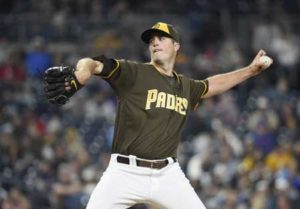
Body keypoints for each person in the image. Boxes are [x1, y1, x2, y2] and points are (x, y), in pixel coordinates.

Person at [44, 22, 273, 209]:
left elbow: (211, 85)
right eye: (151, 40)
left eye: (161, 38)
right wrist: (80, 73)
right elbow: (93, 63)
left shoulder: (186, 86)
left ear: (176, 46)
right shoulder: (134, 72)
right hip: (125, 171)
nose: (154, 42)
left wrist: (250, 70)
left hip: (167, 173)